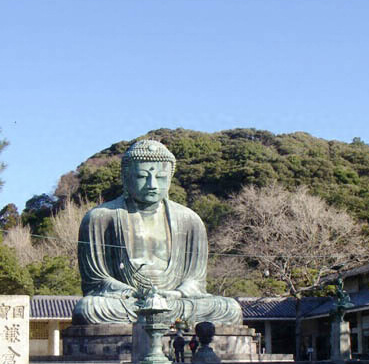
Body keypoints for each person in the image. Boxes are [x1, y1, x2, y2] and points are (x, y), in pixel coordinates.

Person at [72, 140, 242, 326]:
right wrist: (133, 293)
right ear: (126, 177)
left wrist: (176, 294)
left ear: (170, 178)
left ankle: (160, 314)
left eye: (160, 177)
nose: (152, 184)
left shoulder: (189, 220)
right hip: (129, 301)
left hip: (175, 301)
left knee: (230, 308)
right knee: (88, 308)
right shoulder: (101, 217)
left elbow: (196, 281)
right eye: (142, 177)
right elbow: (96, 281)